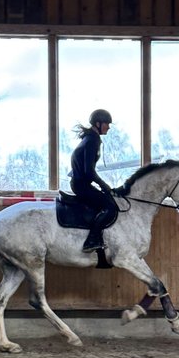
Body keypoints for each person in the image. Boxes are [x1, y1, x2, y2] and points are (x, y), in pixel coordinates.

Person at [70, 108, 119, 252]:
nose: (109, 127)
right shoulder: (92, 140)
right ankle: (91, 241)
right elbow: (89, 171)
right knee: (110, 207)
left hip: (80, 183)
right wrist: (105, 187)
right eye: (106, 124)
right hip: (81, 185)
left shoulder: (90, 138)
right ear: (98, 123)